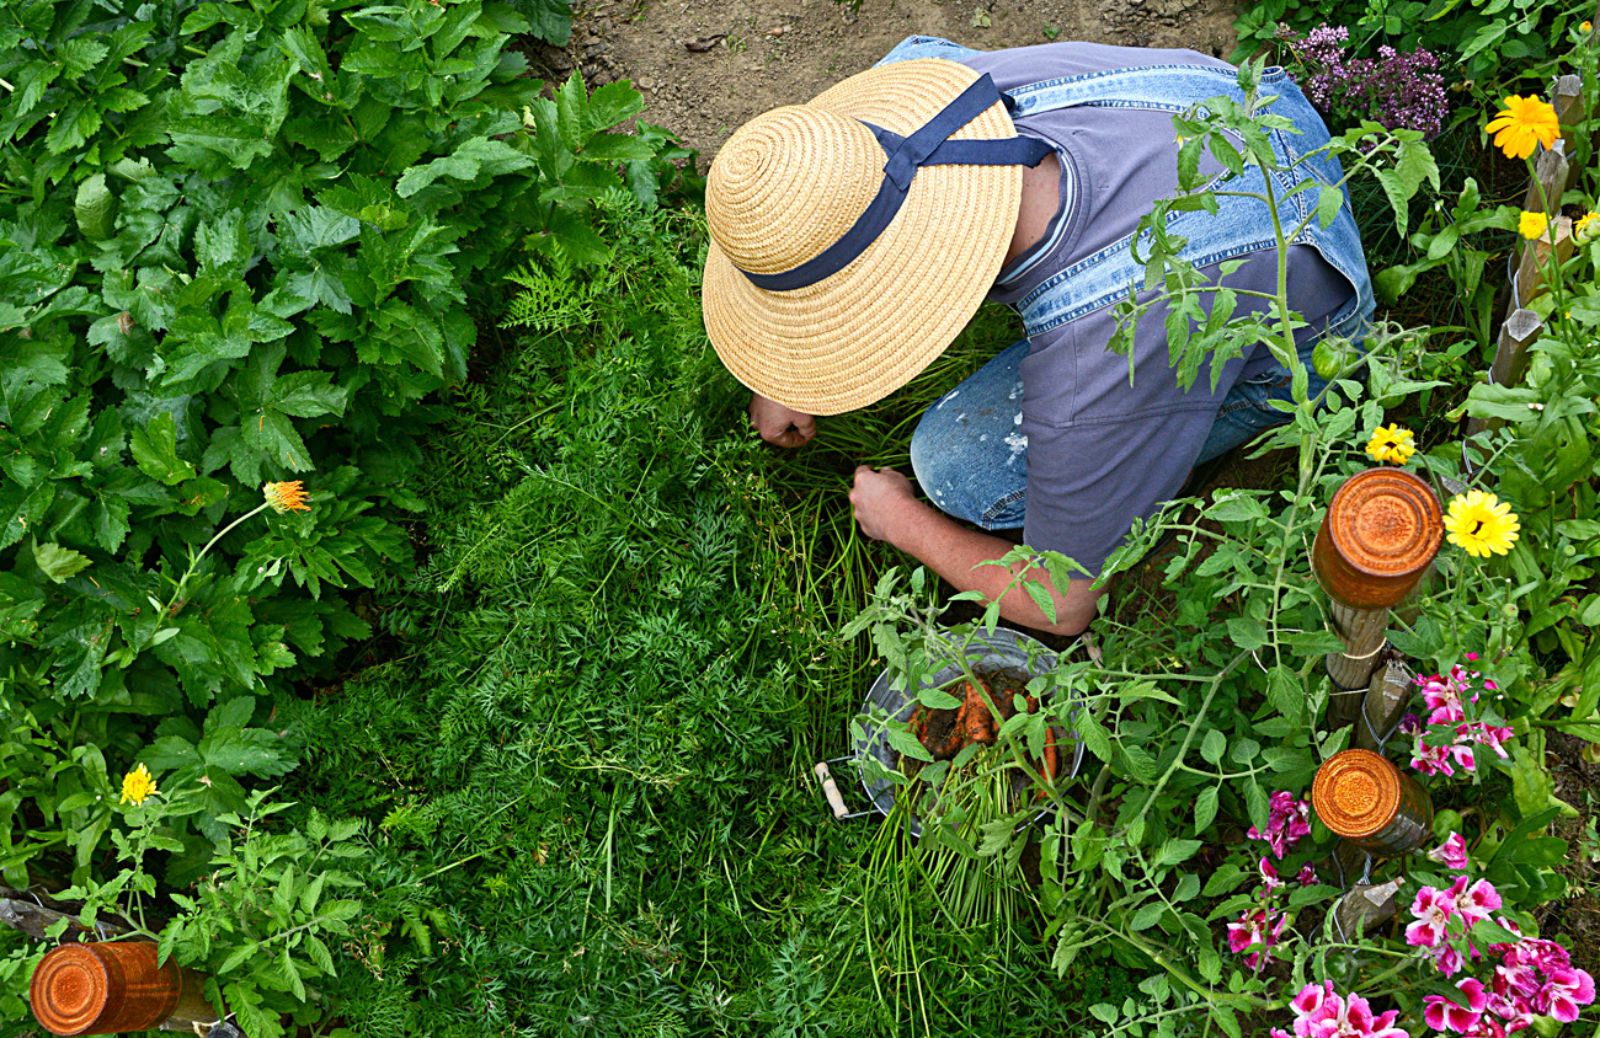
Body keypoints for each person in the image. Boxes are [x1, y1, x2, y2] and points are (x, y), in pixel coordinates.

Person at [700, 36, 1374, 637]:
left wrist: (896, 519)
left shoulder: (1098, 357)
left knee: (953, 465)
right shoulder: (926, 90)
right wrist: (782, 368)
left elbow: (1063, 600)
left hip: (1304, 321)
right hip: (1246, 115)